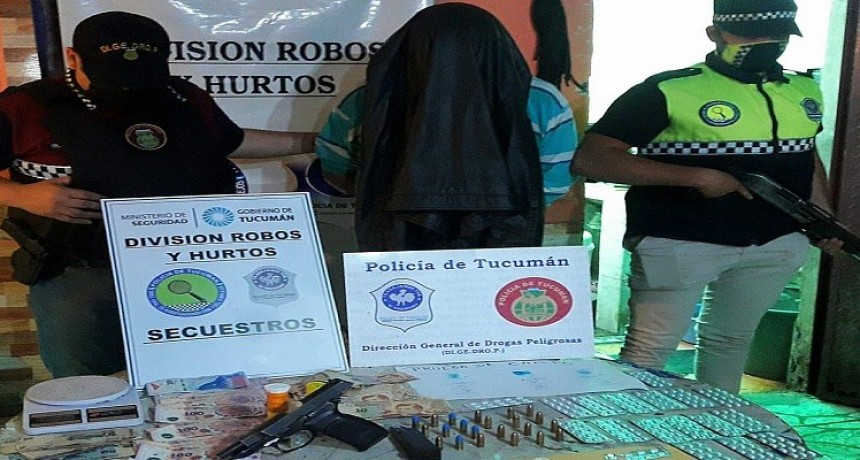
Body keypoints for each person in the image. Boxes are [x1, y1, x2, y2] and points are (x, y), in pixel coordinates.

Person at [0, 11, 313, 378]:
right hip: (82, 277)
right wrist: (22, 196)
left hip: (191, 268)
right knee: (89, 387)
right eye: (111, 74)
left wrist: (317, 141)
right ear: (73, 58)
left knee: (198, 380)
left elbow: (231, 141)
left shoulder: (183, 95)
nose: (128, 86)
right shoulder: (26, 105)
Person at [571, 0, 842, 393]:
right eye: (750, 35)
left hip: (776, 242)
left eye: (777, 34)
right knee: (648, 352)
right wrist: (696, 177)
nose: (766, 43)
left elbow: (806, 154)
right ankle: (623, 428)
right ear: (714, 34)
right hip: (681, 240)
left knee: (731, 342)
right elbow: (592, 159)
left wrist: (821, 215)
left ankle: (720, 426)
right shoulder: (666, 90)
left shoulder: (803, 89)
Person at [315, 3, 577, 251]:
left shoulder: (368, 97)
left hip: (394, 247)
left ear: (408, 44)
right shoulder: (543, 100)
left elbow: (336, 166)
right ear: (497, 43)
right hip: (505, 245)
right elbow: (552, 184)